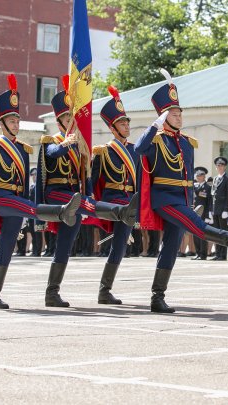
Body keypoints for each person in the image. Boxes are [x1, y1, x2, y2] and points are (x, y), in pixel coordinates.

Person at [135, 69, 228, 313]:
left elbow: (186, 176)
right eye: (173, 114)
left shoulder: (186, 142)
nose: (179, 117)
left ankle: (157, 297)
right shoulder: (155, 140)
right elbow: (138, 148)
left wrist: (189, 200)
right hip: (164, 199)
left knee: (170, 247)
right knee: (195, 225)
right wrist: (156, 124)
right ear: (164, 116)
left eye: (180, 113)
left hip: (181, 199)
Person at [0, 74, 83, 309]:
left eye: (17, 121)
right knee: (29, 208)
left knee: (7, 248)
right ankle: (61, 212)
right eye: (11, 121)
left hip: (15, 200)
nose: (16, 125)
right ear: (2, 123)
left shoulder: (23, 149)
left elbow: (22, 179)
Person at [36, 83, 139, 308]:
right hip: (56, 195)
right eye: (65, 118)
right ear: (58, 122)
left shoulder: (80, 145)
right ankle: (122, 211)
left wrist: (89, 194)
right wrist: (66, 143)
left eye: (72, 117)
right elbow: (52, 155)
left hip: (74, 199)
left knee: (65, 246)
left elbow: (87, 178)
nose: (70, 121)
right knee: (86, 205)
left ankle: (52, 293)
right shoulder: (52, 141)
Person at [89, 85, 141, 304]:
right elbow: (93, 181)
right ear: (113, 128)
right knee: (119, 241)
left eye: (127, 122)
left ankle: (104, 291)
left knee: (119, 248)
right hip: (112, 200)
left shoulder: (135, 150)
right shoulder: (104, 151)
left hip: (129, 200)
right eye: (122, 123)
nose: (126, 126)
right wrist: (89, 202)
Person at [210, 156, 228, 260]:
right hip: (216, 209)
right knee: (216, 233)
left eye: (221, 165)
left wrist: (226, 209)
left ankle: (223, 254)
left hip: (223, 209)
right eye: (218, 165)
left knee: (223, 232)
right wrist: (211, 210)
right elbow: (212, 195)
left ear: (225, 167)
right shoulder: (215, 179)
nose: (219, 167)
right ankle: (217, 253)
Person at [192, 167, 212, 260]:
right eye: (197, 175)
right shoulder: (194, 186)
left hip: (204, 214)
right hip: (195, 213)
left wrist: (208, 215)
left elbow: (209, 202)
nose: (199, 177)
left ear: (204, 176)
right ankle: (198, 253)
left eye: (201, 175)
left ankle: (203, 254)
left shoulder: (207, 187)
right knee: (195, 233)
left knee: (203, 234)